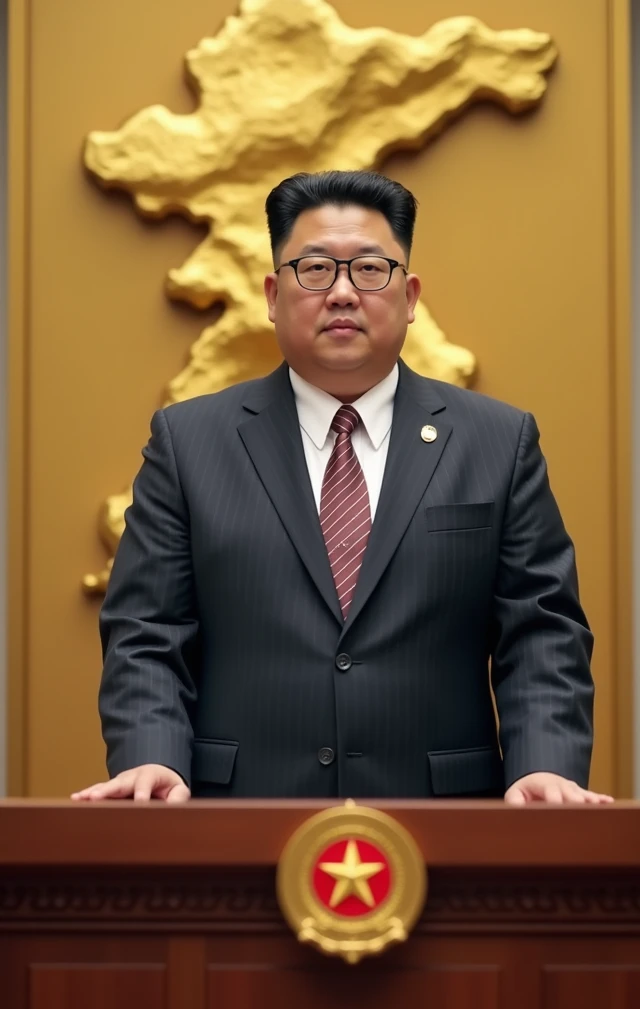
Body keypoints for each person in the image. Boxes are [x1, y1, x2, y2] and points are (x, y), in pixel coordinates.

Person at [72, 170, 612, 806]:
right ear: (273, 294)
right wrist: (150, 756)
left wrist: (542, 764)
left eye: (371, 270)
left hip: (446, 821)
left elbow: (541, 629)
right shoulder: (189, 443)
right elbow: (146, 630)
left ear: (410, 297)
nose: (343, 293)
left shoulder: (499, 441)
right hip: (239, 818)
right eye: (316, 270)